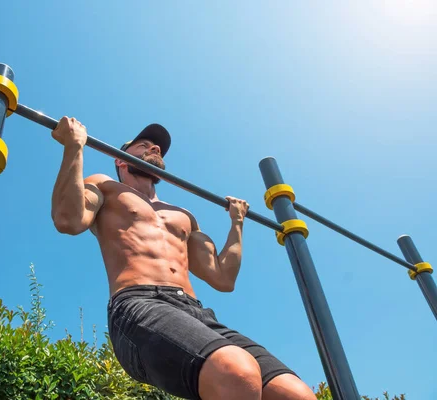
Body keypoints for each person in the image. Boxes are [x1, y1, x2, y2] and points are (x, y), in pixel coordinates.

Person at [50, 117, 316, 400]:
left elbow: (223, 278)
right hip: (139, 304)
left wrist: (236, 224)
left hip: (196, 312)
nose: (155, 149)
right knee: (235, 371)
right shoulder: (104, 186)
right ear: (120, 160)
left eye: (158, 149)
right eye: (144, 145)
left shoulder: (184, 216)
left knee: (294, 393)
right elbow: (68, 220)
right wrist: (74, 147)